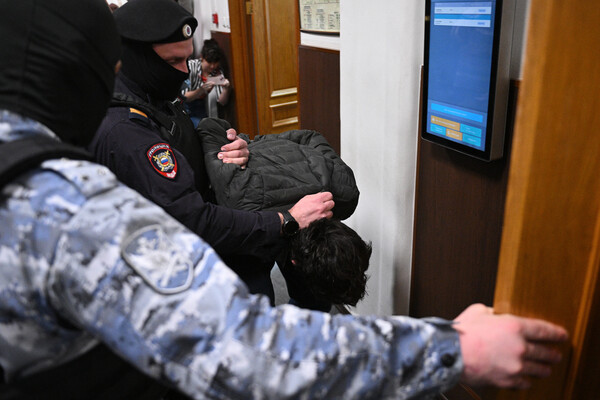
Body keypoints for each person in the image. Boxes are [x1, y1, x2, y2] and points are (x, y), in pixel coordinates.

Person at [0, 0, 570, 398]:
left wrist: (227, 146)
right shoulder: (65, 204)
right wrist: (455, 350)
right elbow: (241, 350)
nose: (179, 75)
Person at [90, 0, 333, 304]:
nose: (183, 71)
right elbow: (192, 219)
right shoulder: (126, 132)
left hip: (218, 243)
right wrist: (286, 220)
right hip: (188, 275)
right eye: (173, 61)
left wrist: (229, 146)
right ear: (134, 57)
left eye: (187, 59)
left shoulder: (149, 90)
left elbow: (182, 142)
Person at [182, 39, 232, 128]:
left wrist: (226, 89)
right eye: (209, 62)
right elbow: (184, 97)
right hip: (186, 105)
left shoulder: (217, 72)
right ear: (202, 58)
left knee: (209, 126)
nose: (212, 66)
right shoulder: (190, 66)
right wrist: (201, 90)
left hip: (204, 107)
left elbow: (222, 102)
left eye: (215, 62)